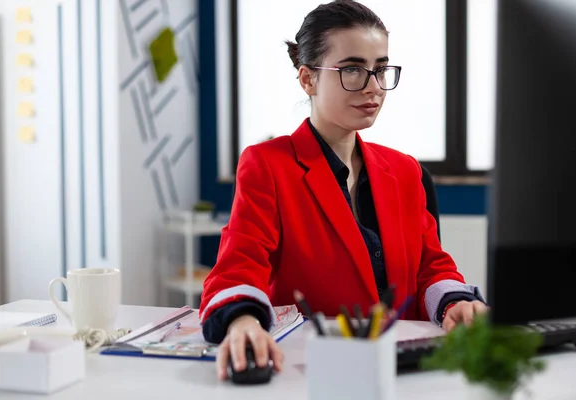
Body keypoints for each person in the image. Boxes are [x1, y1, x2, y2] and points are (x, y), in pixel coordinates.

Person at [199, 0, 487, 381]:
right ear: (307, 79)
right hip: (313, 372)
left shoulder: (404, 170)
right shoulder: (267, 164)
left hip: (409, 370)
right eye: (352, 69)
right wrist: (242, 322)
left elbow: (430, 268)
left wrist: (455, 304)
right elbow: (238, 268)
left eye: (380, 69)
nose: (373, 87)